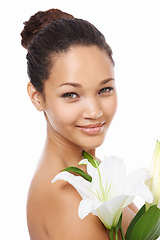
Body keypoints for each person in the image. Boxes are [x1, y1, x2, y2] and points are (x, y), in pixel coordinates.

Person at [21, 8, 138, 240]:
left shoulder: (90, 167)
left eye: (104, 89)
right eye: (71, 94)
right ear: (37, 97)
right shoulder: (68, 198)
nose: (95, 111)